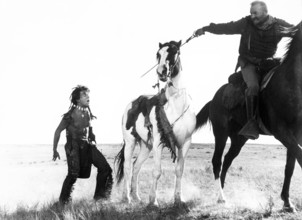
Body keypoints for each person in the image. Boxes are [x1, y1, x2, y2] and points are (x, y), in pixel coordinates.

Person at [194, 1, 293, 140]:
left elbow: (296, 31)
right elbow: (226, 28)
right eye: (251, 13)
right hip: (249, 63)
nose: (252, 16)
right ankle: (251, 123)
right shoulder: (246, 23)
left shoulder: (278, 25)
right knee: (253, 87)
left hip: (269, 63)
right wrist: (206, 29)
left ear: (265, 12)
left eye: (256, 13)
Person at [53, 85, 113, 205]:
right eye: (84, 95)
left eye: (88, 94)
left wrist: (92, 136)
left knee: (105, 169)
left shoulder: (87, 112)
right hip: (73, 146)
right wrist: (54, 150)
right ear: (77, 99)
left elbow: (90, 129)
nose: (88, 97)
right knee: (73, 175)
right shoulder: (69, 115)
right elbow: (58, 131)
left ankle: (100, 199)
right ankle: (62, 203)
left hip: (87, 145)